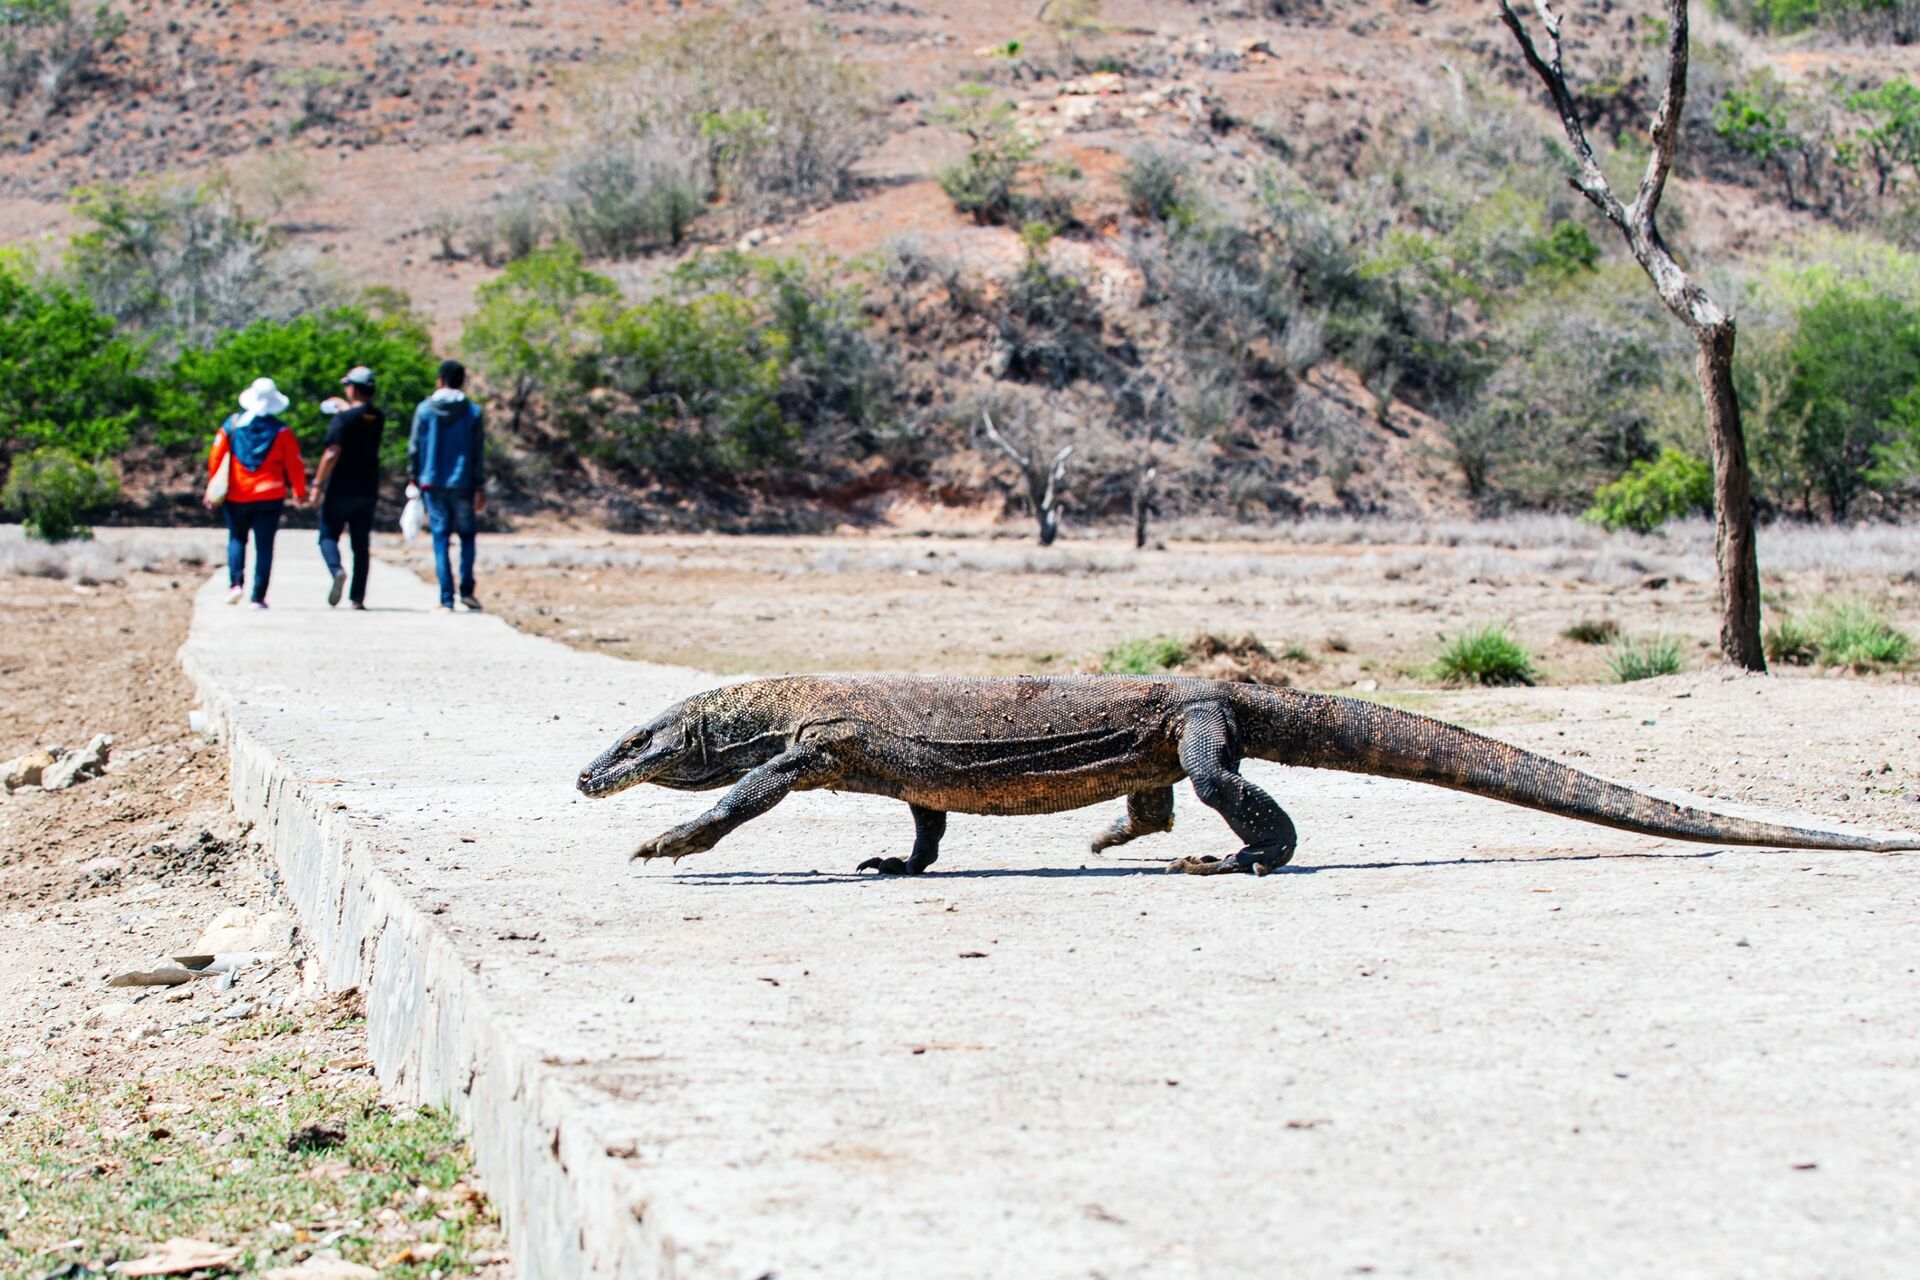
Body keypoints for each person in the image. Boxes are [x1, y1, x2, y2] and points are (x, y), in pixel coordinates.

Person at [206, 377, 307, 609]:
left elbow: (216, 456)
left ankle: (235, 584)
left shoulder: (232, 425)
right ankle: (258, 597)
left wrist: (213, 486)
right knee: (264, 546)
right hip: (270, 495)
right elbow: (294, 463)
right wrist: (299, 491)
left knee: (237, 538)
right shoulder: (282, 431)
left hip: (237, 493)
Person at [409, 359, 487, 613]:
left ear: (440, 380)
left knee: (440, 538)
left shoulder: (425, 410)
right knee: (467, 537)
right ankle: (467, 590)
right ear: (462, 381)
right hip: (464, 482)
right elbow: (478, 453)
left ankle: (446, 598)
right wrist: (479, 486)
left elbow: (415, 448)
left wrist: (413, 477)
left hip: (432, 483)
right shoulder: (472, 412)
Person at [309, 366, 385, 609]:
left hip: (341, 487)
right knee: (361, 545)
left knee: (327, 535)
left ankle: (336, 570)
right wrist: (346, 408)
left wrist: (317, 484)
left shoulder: (343, 419)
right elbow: (362, 416)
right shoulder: (378, 417)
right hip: (368, 488)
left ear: (353, 389)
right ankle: (358, 598)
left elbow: (332, 453)